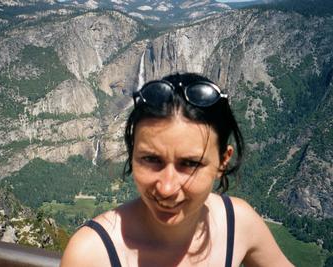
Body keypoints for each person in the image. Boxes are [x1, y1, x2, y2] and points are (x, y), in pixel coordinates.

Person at [60, 73, 293, 267]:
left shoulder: (240, 223)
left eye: (190, 163)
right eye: (151, 159)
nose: (167, 187)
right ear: (132, 154)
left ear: (223, 162)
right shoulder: (91, 253)